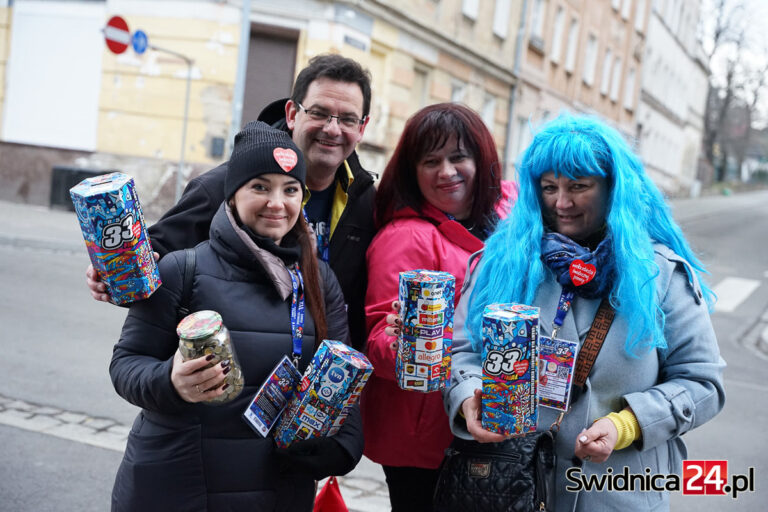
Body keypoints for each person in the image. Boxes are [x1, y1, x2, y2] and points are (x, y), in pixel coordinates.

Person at [443, 114, 726, 511]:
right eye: (549, 187)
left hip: (619, 493)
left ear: (612, 189)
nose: (562, 202)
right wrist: (469, 395)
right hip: (511, 489)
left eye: (579, 186)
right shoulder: (502, 263)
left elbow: (702, 383)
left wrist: (627, 425)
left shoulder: (659, 274)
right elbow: (463, 351)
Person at [110, 122, 362, 512]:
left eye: (290, 189)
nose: (277, 203)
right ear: (232, 195)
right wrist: (172, 382)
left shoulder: (318, 278)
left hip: (277, 490)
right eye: (260, 187)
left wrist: (343, 446)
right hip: (178, 488)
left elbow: (345, 377)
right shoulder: (183, 270)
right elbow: (126, 366)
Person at [87, 54, 376, 350]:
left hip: (314, 384)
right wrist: (115, 276)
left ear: (362, 127)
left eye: (348, 119)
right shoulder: (222, 188)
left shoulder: (368, 201)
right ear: (292, 113)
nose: (332, 128)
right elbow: (150, 275)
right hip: (226, 372)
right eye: (319, 112)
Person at [363, 103, 517, 511]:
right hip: (427, 440)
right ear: (413, 171)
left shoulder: (510, 213)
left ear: (481, 159)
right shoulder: (405, 237)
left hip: (494, 418)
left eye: (458, 157)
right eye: (431, 161)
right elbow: (377, 341)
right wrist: (401, 342)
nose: (446, 172)